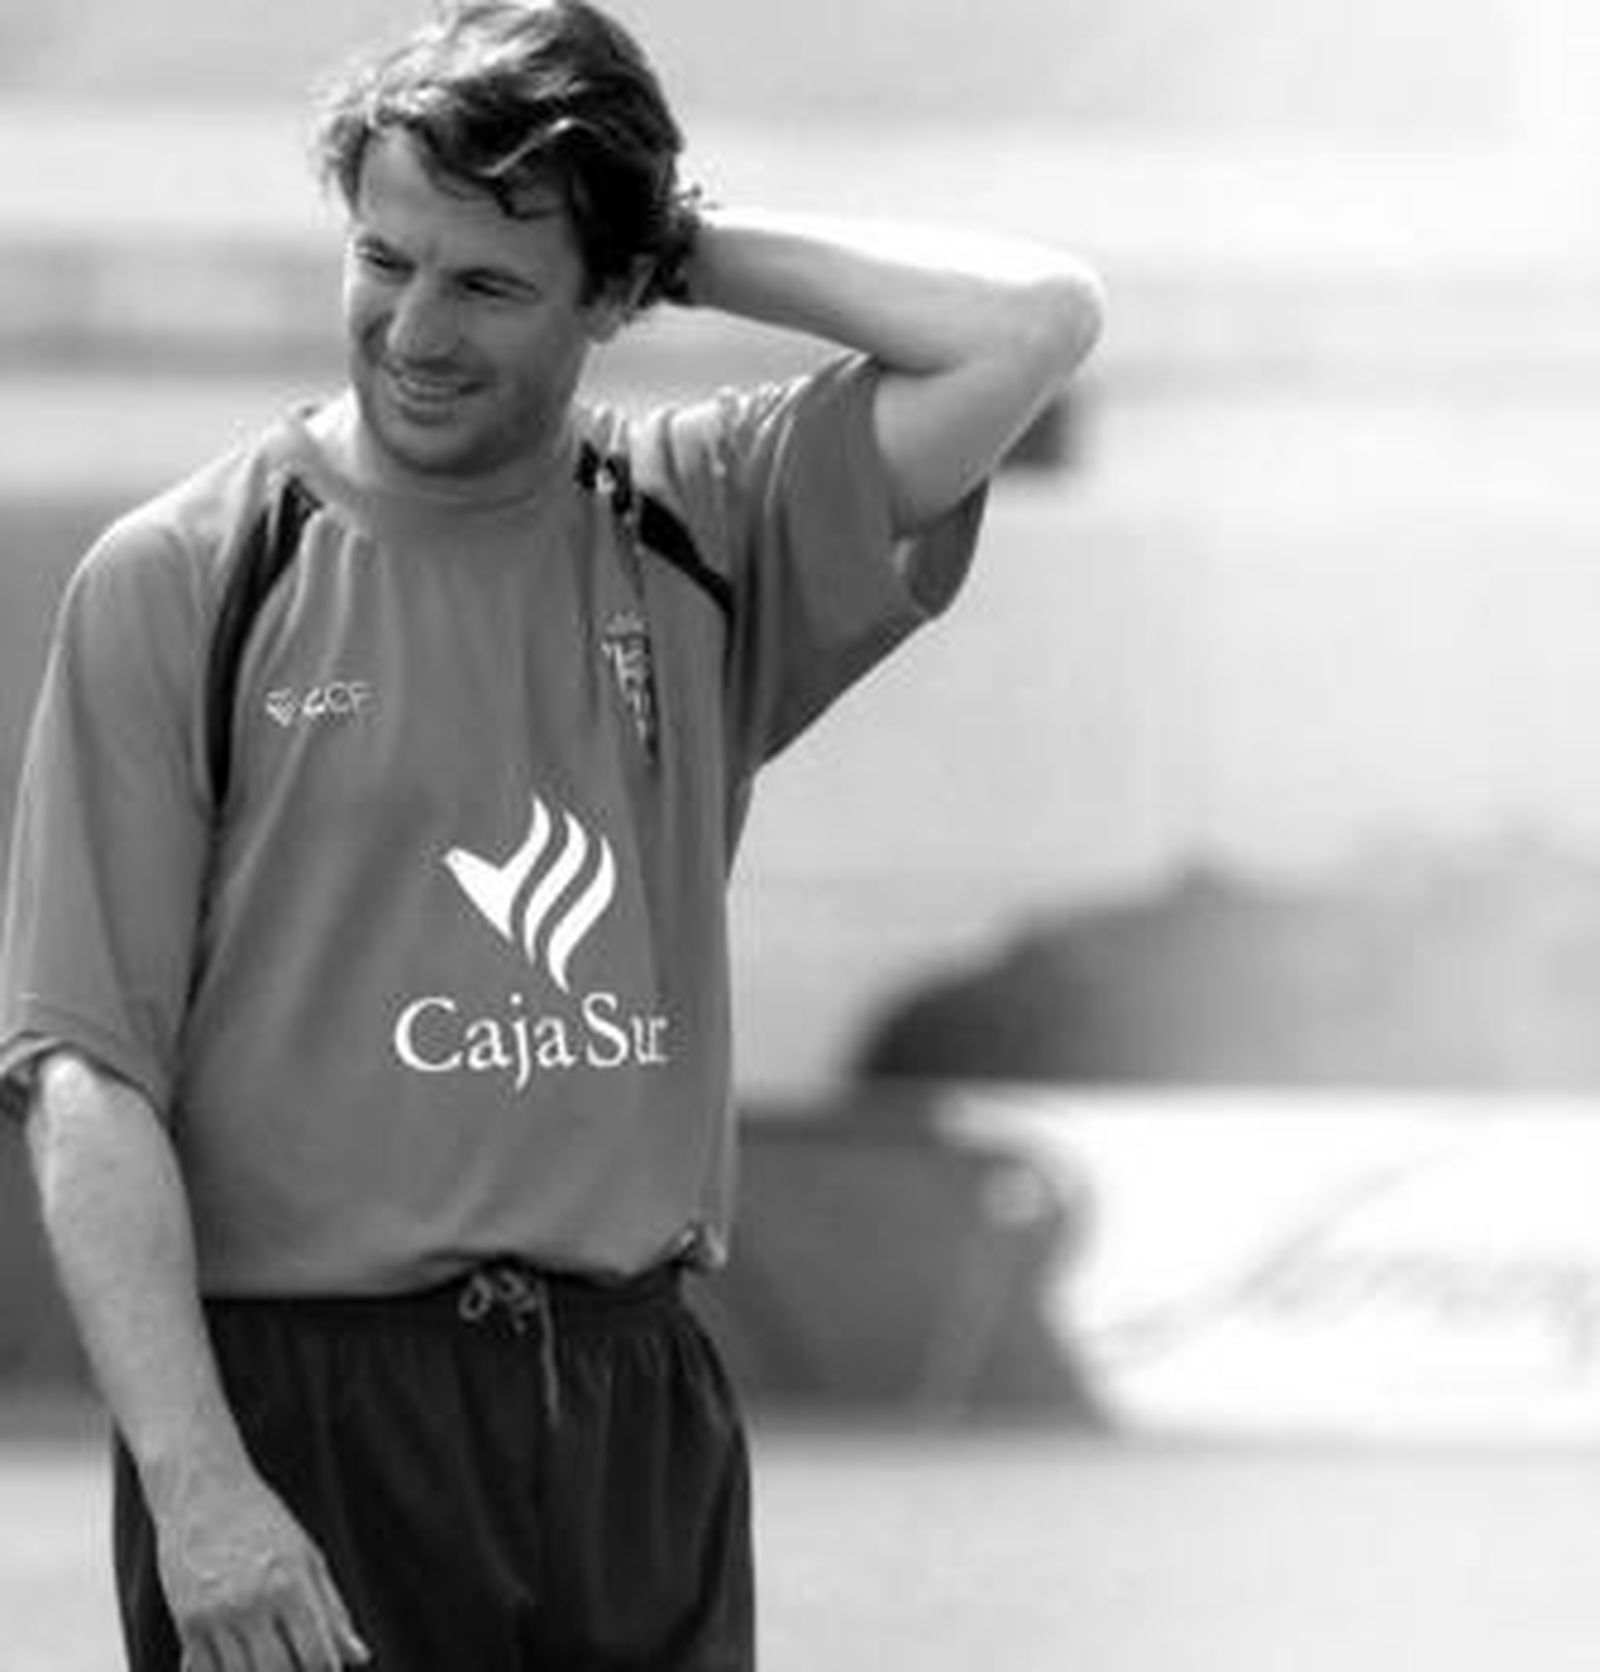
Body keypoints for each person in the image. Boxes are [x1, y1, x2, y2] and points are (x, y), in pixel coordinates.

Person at [0, 2, 1103, 1667]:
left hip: (633, 1404)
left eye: (490, 282)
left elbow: (1031, 323)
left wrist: (682, 239)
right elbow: (85, 1075)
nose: (414, 328)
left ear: (610, 297)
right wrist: (199, 1484)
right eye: (385, 260)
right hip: (309, 1413)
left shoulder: (706, 520)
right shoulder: (186, 578)